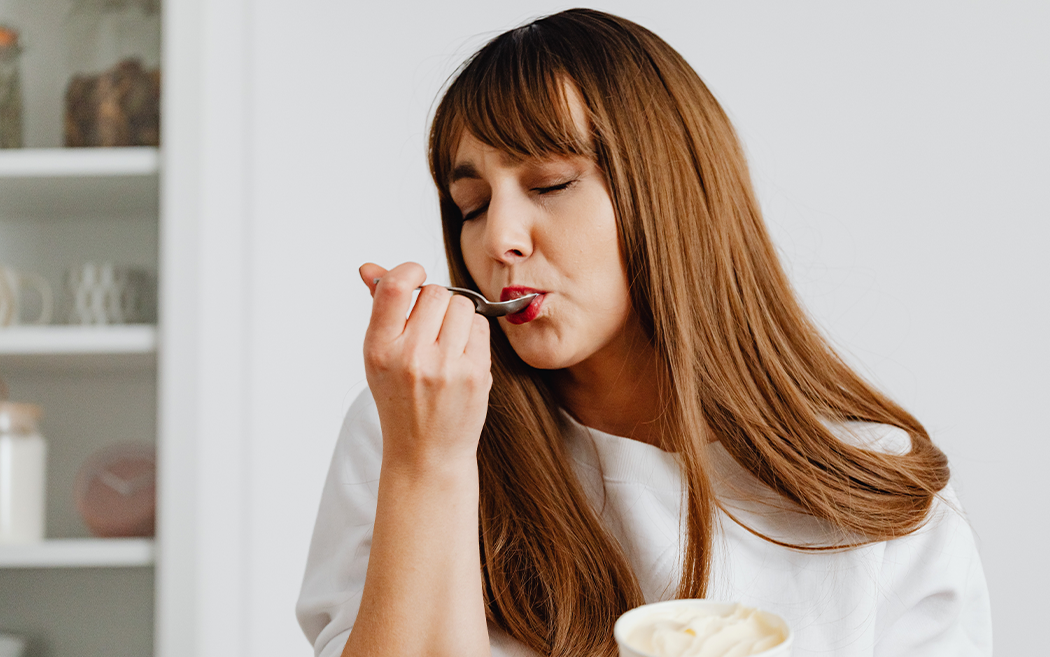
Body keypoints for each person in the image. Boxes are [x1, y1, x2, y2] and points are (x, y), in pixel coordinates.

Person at [296, 9, 992, 657]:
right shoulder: (409, 428)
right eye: (471, 204)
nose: (498, 238)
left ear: (669, 194)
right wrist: (432, 467)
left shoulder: (877, 492)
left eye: (550, 184)